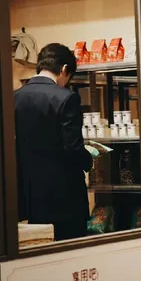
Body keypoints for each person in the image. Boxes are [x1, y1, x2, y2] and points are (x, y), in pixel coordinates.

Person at [15, 43, 93, 241]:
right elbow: (72, 148)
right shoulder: (66, 98)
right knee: (69, 255)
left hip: (28, 195)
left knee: (39, 253)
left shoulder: (14, 98)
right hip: (64, 198)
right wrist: (88, 159)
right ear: (64, 70)